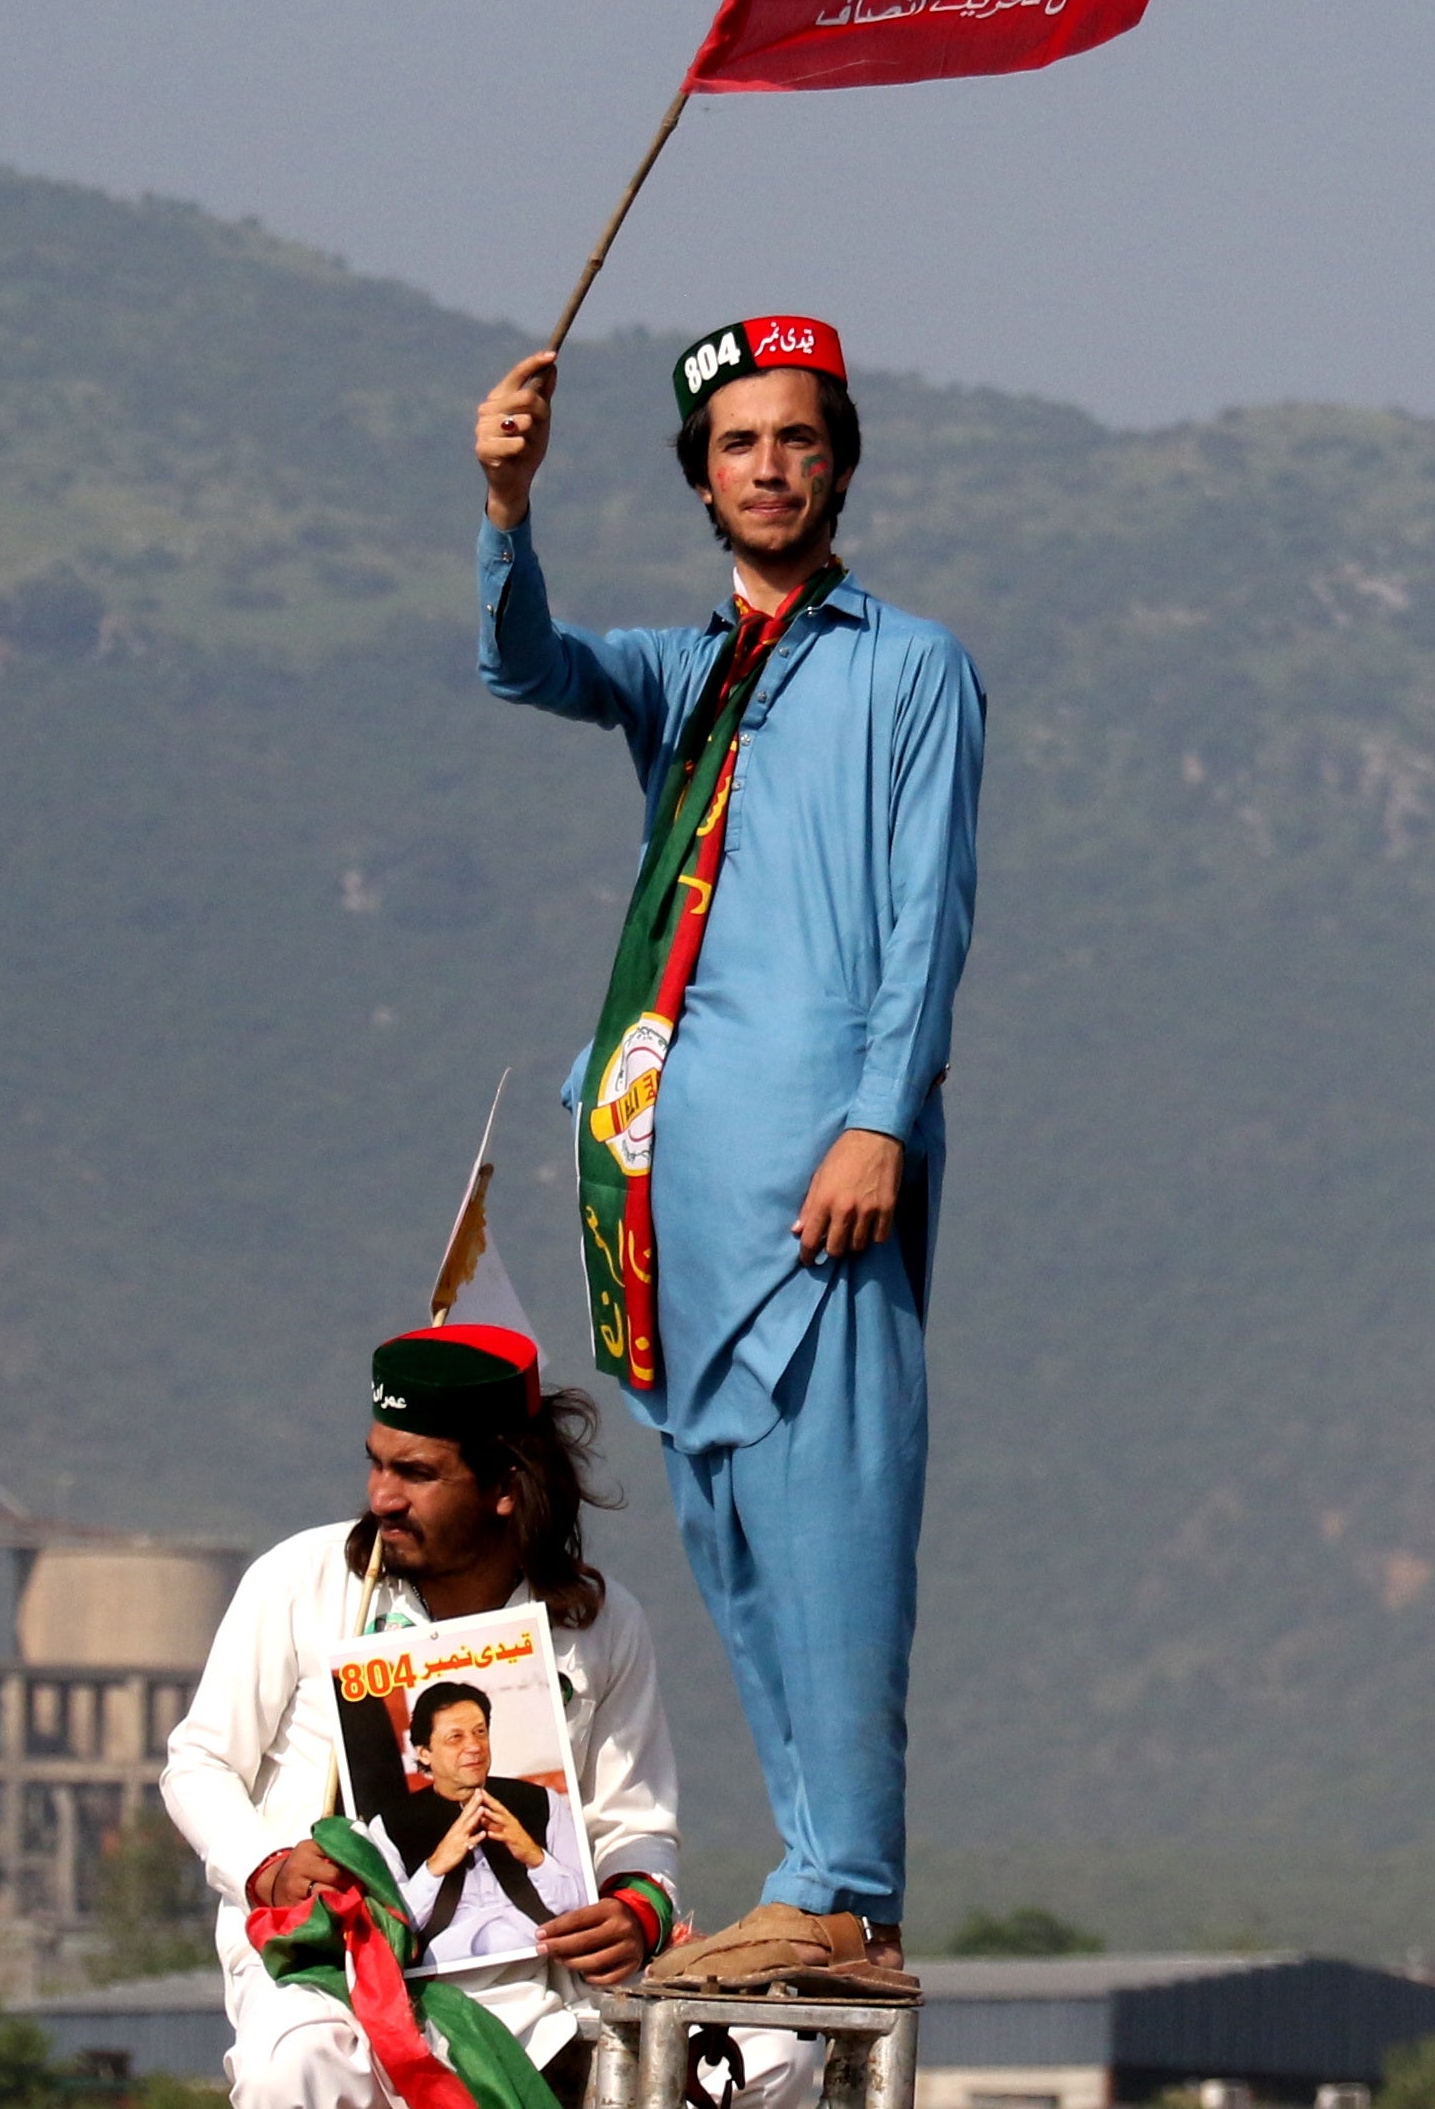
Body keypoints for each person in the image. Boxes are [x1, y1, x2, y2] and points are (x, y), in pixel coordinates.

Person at [471, 319, 981, 1990]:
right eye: (738, 441)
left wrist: (877, 1118)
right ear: (700, 474)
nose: (769, 464)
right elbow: (527, 661)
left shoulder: (908, 665)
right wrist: (504, 504)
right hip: (670, 1190)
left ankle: (855, 1878)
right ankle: (804, 1866)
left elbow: (927, 914)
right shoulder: (689, 676)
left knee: (837, 1518)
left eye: (797, 437)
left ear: (839, 462)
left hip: (824, 1171)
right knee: (733, 1532)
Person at [164, 1324, 805, 2109]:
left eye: (416, 1473)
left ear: (505, 1484)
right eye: (377, 1463)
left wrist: (635, 1908)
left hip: (549, 1991)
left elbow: (636, 1822)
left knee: (778, 2055)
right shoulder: (302, 1581)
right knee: (296, 2068)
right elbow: (199, 1764)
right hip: (335, 1968)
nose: (381, 1497)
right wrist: (270, 1868)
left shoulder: (600, 1622)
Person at [373, 1681, 576, 1958]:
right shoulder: (389, 1826)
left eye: (480, 1732)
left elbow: (584, 1904)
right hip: (444, 1974)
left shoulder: (541, 1802)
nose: (474, 1747)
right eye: (455, 1737)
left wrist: (534, 1857)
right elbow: (388, 1933)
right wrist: (435, 1867)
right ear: (424, 1753)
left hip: (542, 1959)